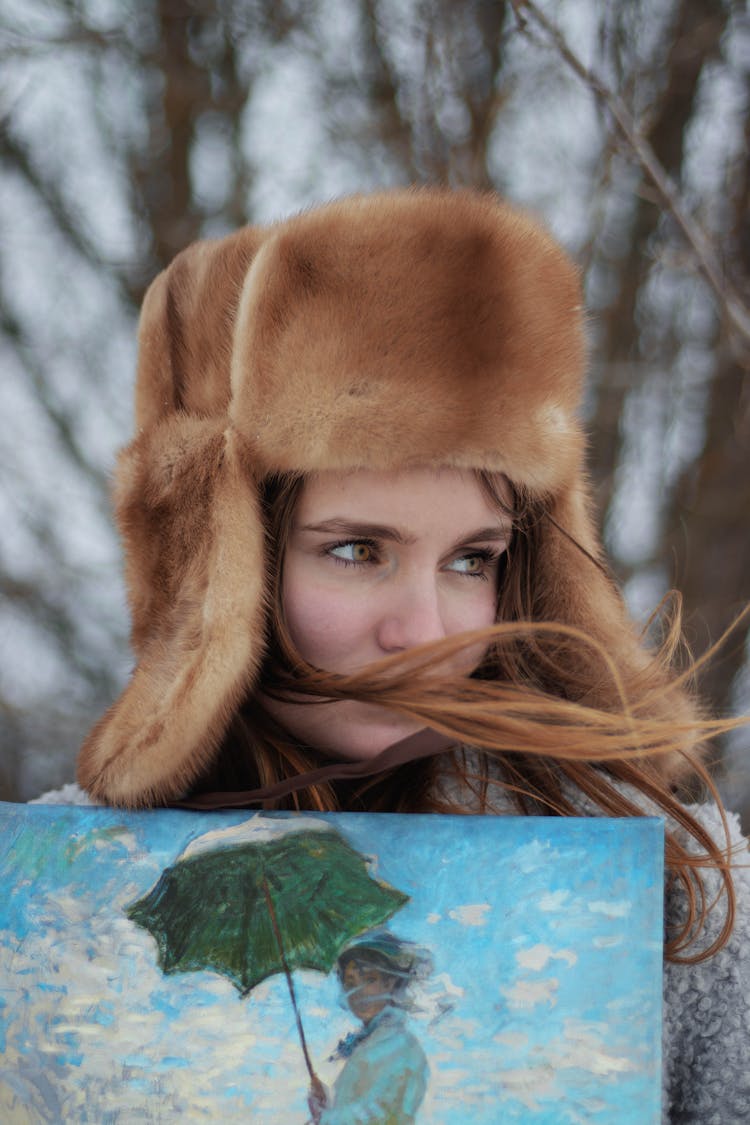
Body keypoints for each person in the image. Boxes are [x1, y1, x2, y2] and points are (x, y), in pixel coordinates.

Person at [35, 189, 748, 1121]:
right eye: (358, 550)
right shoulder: (50, 894)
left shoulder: (685, 888)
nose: (427, 629)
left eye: (471, 559)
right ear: (213, 566)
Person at [307, 932, 430, 1124]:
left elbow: (374, 1117)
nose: (359, 992)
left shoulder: (401, 1046)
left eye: (370, 980)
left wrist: (324, 1118)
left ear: (390, 983)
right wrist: (326, 1107)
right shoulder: (370, 1044)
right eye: (350, 983)